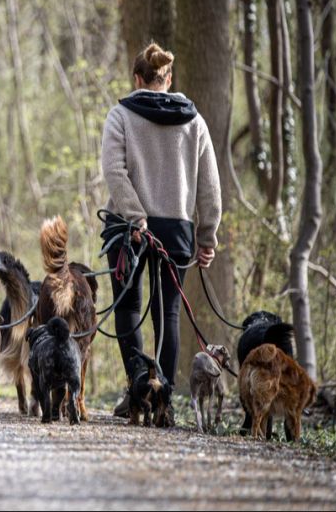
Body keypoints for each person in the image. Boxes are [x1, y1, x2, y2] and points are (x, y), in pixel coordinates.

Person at [101, 42, 221, 423]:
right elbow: (209, 186)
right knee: (167, 311)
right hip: (178, 229)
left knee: (128, 307)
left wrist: (136, 217)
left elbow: (114, 172)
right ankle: (164, 399)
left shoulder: (120, 115)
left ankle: (139, 393)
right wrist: (207, 236)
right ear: (168, 79)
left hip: (128, 227)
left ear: (137, 78)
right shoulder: (195, 121)